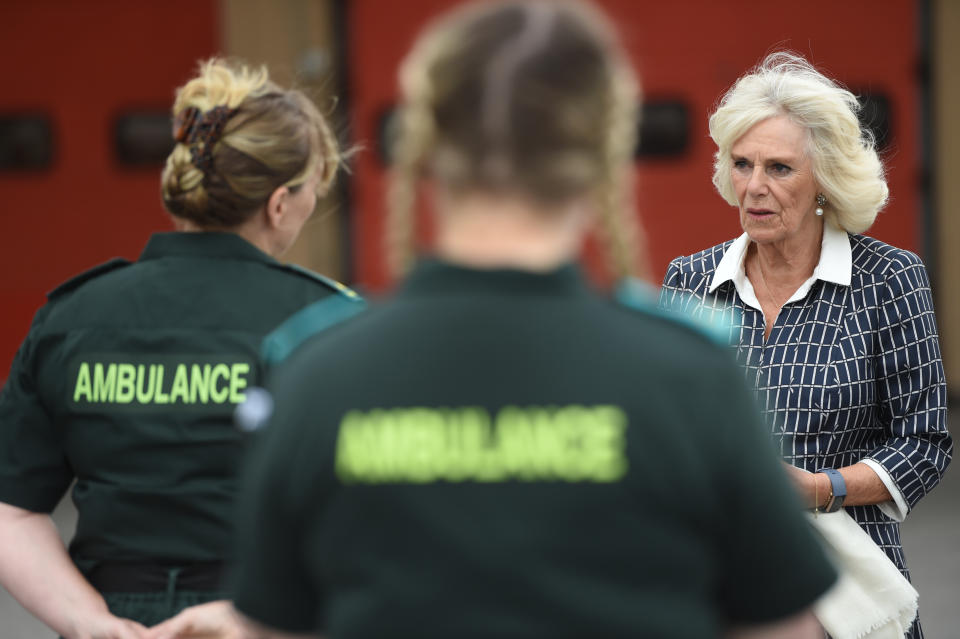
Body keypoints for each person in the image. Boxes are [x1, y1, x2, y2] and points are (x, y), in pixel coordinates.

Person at [151, 3, 836, 638]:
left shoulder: (315, 370)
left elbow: (281, 623)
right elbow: (780, 624)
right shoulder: (695, 375)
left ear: (425, 150)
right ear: (600, 157)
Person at [0, 58, 363, 638]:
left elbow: (11, 509)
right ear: (278, 203)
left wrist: (91, 622)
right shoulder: (332, 323)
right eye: (312, 190)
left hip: (115, 618)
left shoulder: (69, 319)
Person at [660, 52, 952, 638]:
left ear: (825, 178)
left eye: (780, 169)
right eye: (742, 165)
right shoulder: (690, 282)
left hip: (846, 588)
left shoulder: (888, 279)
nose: (755, 188)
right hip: (722, 583)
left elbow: (924, 443)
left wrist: (823, 489)